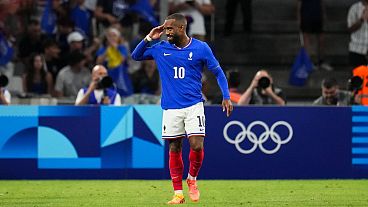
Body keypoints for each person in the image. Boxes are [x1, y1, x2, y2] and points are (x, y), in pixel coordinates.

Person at [131, 13, 233, 204]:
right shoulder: (160, 48)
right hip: (171, 108)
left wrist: (226, 96)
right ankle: (178, 193)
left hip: (194, 105)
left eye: (169, 29)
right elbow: (135, 56)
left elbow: (218, 72)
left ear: (181, 28)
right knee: (174, 147)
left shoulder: (201, 48)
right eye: (165, 29)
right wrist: (148, 37)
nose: (166, 32)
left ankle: (192, 179)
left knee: (196, 145)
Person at [297, 0, 333, 71]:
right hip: (306, 16)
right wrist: (299, 20)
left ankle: (321, 62)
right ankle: (308, 63)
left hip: (317, 16)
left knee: (321, 40)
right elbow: (299, 5)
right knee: (307, 41)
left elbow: (322, 3)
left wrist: (324, 15)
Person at [348, 0, 368, 68]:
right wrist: (362, 19)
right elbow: (350, 29)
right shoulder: (354, 8)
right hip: (357, 49)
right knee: (358, 77)